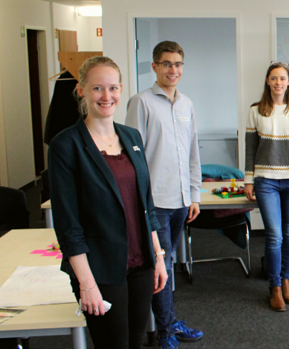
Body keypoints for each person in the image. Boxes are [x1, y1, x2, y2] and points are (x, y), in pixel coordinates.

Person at [49, 56, 169, 348]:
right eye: (97, 89)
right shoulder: (66, 146)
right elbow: (68, 226)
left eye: (113, 88)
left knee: (136, 342)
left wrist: (159, 256)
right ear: (81, 90)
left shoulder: (132, 137)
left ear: (121, 89)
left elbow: (145, 204)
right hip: (101, 269)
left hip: (141, 263)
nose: (107, 96)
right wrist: (86, 285)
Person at [126, 40, 204, 349]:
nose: (173, 69)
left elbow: (192, 152)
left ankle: (168, 322)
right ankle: (164, 332)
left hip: (181, 201)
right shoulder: (141, 102)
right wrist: (140, 203)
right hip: (154, 202)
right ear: (155, 66)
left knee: (168, 264)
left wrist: (194, 195)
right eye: (167, 64)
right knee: (160, 266)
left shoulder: (186, 104)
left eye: (178, 64)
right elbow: (133, 157)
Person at [244, 62, 289, 311]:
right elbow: (250, 148)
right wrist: (248, 180)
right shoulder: (256, 110)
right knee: (274, 236)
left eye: (283, 78)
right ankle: (274, 286)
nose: (278, 83)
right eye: (274, 78)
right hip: (266, 181)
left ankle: (286, 280)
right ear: (268, 81)